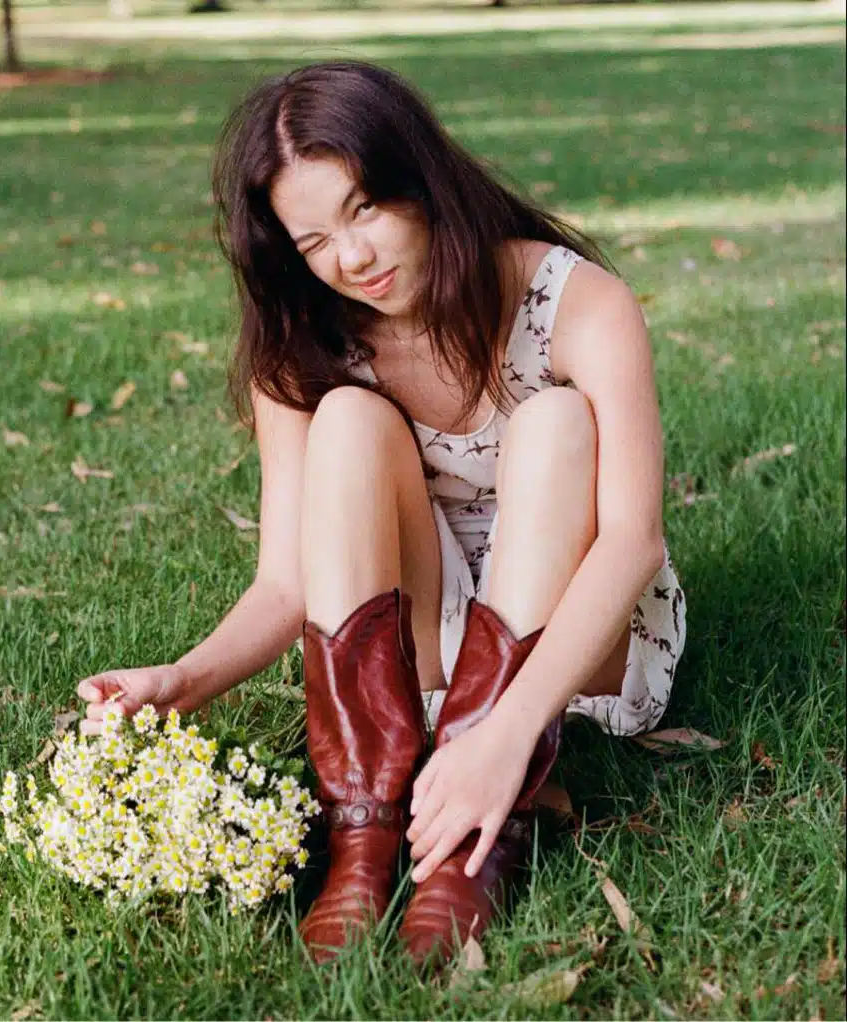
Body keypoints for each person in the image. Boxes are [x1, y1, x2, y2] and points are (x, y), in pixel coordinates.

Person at [75, 60, 686, 967]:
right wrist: (182, 680)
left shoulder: (574, 301)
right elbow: (289, 582)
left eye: (364, 210)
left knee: (555, 420)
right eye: (315, 240)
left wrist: (506, 735)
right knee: (349, 419)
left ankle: (482, 828)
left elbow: (633, 541)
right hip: (430, 645)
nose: (352, 258)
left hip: (578, 639)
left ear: (422, 178)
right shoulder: (304, 342)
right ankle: (364, 825)